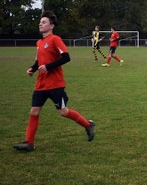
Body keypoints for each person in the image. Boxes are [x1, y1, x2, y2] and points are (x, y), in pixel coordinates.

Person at [13, 11, 95, 152]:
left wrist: (48, 67)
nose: (40, 24)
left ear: (51, 26)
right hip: (41, 84)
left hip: (55, 84)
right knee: (34, 111)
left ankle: (88, 125)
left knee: (63, 112)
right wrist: (32, 69)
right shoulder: (39, 42)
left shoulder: (55, 39)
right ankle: (29, 143)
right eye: (40, 22)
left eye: (44, 22)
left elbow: (66, 57)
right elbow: (39, 61)